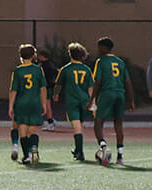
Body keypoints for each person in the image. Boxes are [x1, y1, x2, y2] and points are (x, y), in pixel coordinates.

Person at [89, 36, 133, 165]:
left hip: (107, 93)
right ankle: (120, 156)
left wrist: (92, 99)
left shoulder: (101, 61)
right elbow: (128, 82)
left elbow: (98, 82)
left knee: (98, 121)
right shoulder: (120, 62)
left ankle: (103, 146)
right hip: (120, 94)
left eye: (99, 47)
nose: (97, 50)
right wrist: (131, 100)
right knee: (118, 124)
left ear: (103, 48)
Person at [8, 44, 50, 165]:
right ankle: (34, 148)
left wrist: (11, 106)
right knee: (32, 131)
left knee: (23, 131)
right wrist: (44, 104)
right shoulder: (38, 69)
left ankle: (26, 156)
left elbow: (13, 90)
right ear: (33, 55)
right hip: (35, 102)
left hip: (21, 103)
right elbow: (43, 88)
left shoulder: (17, 71)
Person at [56, 43, 93, 161]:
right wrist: (93, 102)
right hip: (85, 101)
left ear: (70, 54)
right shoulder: (87, 69)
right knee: (80, 126)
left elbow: (58, 84)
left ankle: (80, 153)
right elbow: (91, 88)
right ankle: (78, 149)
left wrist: (55, 94)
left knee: (76, 127)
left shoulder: (66, 69)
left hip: (72, 101)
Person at [36, 48, 59, 131]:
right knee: (46, 104)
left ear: (42, 56)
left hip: (47, 87)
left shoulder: (44, 65)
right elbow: (57, 72)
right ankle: (51, 119)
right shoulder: (51, 63)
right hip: (50, 86)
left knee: (47, 104)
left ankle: (50, 122)